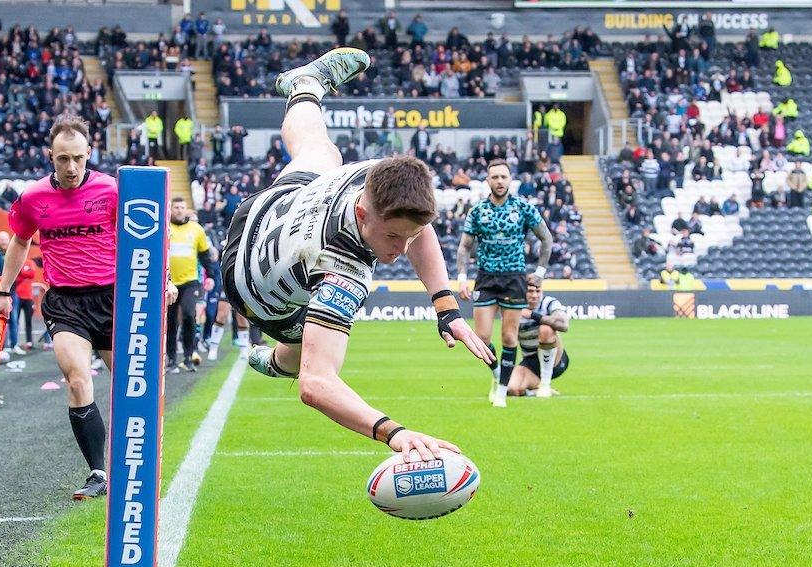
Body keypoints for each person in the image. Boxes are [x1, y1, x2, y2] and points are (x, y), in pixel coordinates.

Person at [221, 48, 493, 463]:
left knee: (322, 153)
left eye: (408, 236)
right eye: (391, 237)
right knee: (307, 358)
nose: (399, 250)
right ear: (363, 214)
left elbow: (418, 227)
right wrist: (394, 433)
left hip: (272, 207)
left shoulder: (378, 176)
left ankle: (305, 85)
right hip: (251, 289)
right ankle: (274, 361)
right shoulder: (342, 272)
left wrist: (446, 308)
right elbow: (316, 386)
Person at [0, 114, 175, 499]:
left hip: (115, 299)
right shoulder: (34, 198)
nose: (71, 167)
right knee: (77, 379)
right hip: (66, 303)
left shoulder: (112, 190)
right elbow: (20, 241)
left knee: (131, 384)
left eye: (77, 158)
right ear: (50, 156)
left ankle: (140, 462)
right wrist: (4, 291)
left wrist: (164, 279)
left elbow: (154, 234)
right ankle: (97, 472)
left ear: (89, 153)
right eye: (62, 159)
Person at [457, 158, 553, 408]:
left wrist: (540, 272)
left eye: (503, 177)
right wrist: (462, 277)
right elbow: (465, 246)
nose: (499, 181)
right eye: (495, 177)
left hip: (514, 278)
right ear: (487, 180)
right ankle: (499, 374)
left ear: (510, 180)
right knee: (481, 337)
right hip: (486, 278)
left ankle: (501, 390)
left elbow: (546, 239)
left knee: (509, 337)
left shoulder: (523, 208)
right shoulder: (477, 210)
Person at [166, 198, 218, 373]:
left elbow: (205, 255)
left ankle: (188, 357)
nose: (180, 210)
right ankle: (171, 359)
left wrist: (210, 276)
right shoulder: (165, 228)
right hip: (169, 282)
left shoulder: (196, 230)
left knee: (189, 314)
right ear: (171, 209)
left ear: (187, 209)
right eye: (176, 207)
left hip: (190, 281)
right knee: (171, 321)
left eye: (182, 207)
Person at [507, 276, 569, 398]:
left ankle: (545, 384)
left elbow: (564, 325)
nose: (535, 295)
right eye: (530, 291)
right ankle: (536, 390)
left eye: (538, 291)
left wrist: (532, 315)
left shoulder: (549, 302)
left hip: (556, 359)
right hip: (530, 361)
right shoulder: (514, 309)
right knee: (513, 389)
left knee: (545, 329)